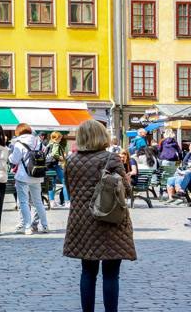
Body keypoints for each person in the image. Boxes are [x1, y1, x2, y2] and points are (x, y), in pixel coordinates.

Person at [64, 119, 136, 312]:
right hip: (110, 220)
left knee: (87, 272)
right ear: (101, 136)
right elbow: (126, 191)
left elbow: (70, 191)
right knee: (111, 274)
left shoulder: (71, 160)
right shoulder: (111, 159)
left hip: (82, 222)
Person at [9, 123, 49, 235]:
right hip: (37, 174)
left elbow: (14, 160)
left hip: (23, 175)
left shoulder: (19, 143)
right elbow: (44, 153)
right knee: (38, 202)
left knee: (23, 202)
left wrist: (9, 156)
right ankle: (45, 225)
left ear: (18, 132)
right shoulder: (38, 141)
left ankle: (27, 227)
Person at [46, 131, 70, 208]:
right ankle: (67, 202)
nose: (60, 139)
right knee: (65, 182)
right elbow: (54, 154)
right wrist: (61, 158)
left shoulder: (49, 144)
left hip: (49, 166)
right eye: (60, 138)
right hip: (56, 165)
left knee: (51, 184)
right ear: (56, 138)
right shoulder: (56, 144)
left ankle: (52, 202)